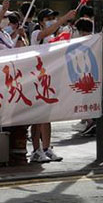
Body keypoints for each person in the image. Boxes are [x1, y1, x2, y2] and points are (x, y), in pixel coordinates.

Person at [29, 8, 76, 162]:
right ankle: (36, 150)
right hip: (37, 79)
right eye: (48, 18)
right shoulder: (36, 34)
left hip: (51, 79)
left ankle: (46, 148)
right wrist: (65, 18)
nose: (51, 20)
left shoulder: (54, 37)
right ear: (41, 21)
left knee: (47, 117)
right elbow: (47, 32)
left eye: (52, 17)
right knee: (37, 117)